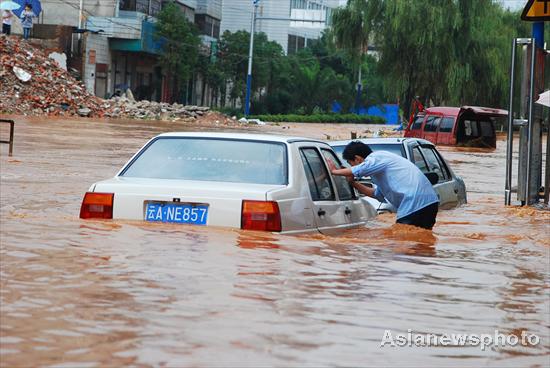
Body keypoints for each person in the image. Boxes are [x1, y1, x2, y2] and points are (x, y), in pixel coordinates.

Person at [328, 141, 440, 230]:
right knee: (420, 243)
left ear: (357, 159)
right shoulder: (379, 170)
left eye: (350, 163)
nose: (350, 166)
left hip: (414, 203)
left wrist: (334, 171)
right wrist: (352, 183)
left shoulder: (377, 157)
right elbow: (376, 193)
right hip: (429, 203)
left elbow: (359, 170)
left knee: (401, 242)